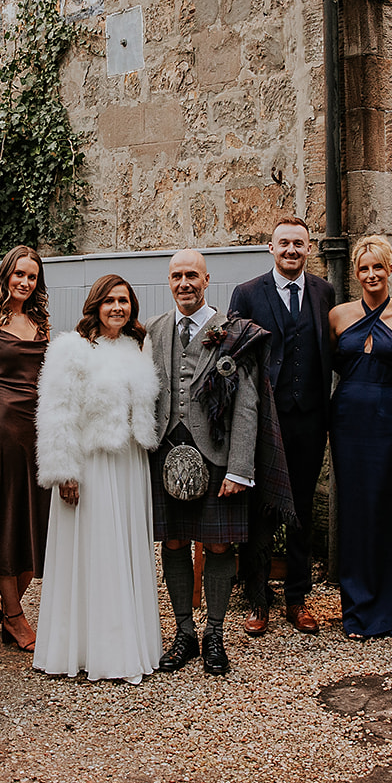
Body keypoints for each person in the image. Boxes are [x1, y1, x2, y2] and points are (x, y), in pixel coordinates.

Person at [33, 275, 162, 683]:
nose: (118, 308)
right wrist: (64, 471)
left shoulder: (137, 346)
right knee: (96, 552)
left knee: (124, 551)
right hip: (91, 465)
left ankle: (130, 643)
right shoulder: (72, 348)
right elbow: (57, 414)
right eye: (109, 301)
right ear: (95, 305)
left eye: (124, 301)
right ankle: (91, 649)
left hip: (130, 464)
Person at [147, 249, 261, 676]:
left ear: (207, 279)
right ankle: (184, 633)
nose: (184, 283)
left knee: (217, 544)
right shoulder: (156, 330)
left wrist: (239, 468)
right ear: (169, 281)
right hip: (164, 453)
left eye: (192, 275)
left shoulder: (232, 332)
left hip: (216, 455)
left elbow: (247, 406)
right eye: (177, 276)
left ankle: (215, 634)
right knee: (173, 542)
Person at [227, 216, 334, 636]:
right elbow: (233, 357)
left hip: (309, 416)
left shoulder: (324, 291)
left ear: (310, 249)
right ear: (270, 248)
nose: (291, 250)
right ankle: (257, 598)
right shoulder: (248, 293)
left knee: (303, 509)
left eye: (299, 244)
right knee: (261, 508)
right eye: (284, 243)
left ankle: (297, 597)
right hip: (264, 419)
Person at [328, 235, 392, 640]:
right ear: (355, 274)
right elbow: (327, 368)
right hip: (347, 415)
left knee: (384, 506)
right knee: (352, 507)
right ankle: (356, 607)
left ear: (390, 270)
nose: (371, 275)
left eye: (378, 267)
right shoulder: (337, 316)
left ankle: (391, 609)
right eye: (364, 268)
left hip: (388, 415)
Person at [0, 246, 52, 651]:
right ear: (5, 275)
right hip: (1, 428)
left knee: (39, 521)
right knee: (4, 520)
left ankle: (10, 600)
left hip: (39, 432)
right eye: (19, 274)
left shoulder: (41, 323)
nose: (25, 282)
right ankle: (15, 618)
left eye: (32, 277)